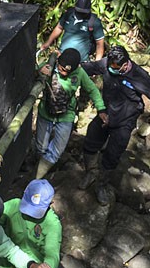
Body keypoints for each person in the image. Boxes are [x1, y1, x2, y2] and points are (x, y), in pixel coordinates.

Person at [79, 45, 150, 205]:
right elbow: (88, 67)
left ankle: (101, 185)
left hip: (125, 121)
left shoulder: (139, 76)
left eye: (117, 67)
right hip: (106, 115)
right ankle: (91, 173)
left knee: (112, 154)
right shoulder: (107, 64)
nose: (113, 69)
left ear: (126, 63)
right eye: (111, 66)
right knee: (91, 140)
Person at [35, 48, 107, 179]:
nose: (62, 73)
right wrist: (39, 72)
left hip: (66, 115)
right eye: (61, 68)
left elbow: (92, 90)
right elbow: (30, 75)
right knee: (41, 147)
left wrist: (101, 109)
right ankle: (39, 166)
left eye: (66, 71)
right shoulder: (49, 66)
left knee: (56, 151)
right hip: (46, 113)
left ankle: (38, 177)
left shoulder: (79, 73)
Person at [40, 0, 105, 61]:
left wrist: (97, 62)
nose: (81, 14)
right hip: (62, 57)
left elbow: (99, 43)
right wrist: (48, 43)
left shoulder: (94, 21)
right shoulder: (68, 14)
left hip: (81, 61)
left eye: (83, 12)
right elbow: (59, 28)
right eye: (79, 11)